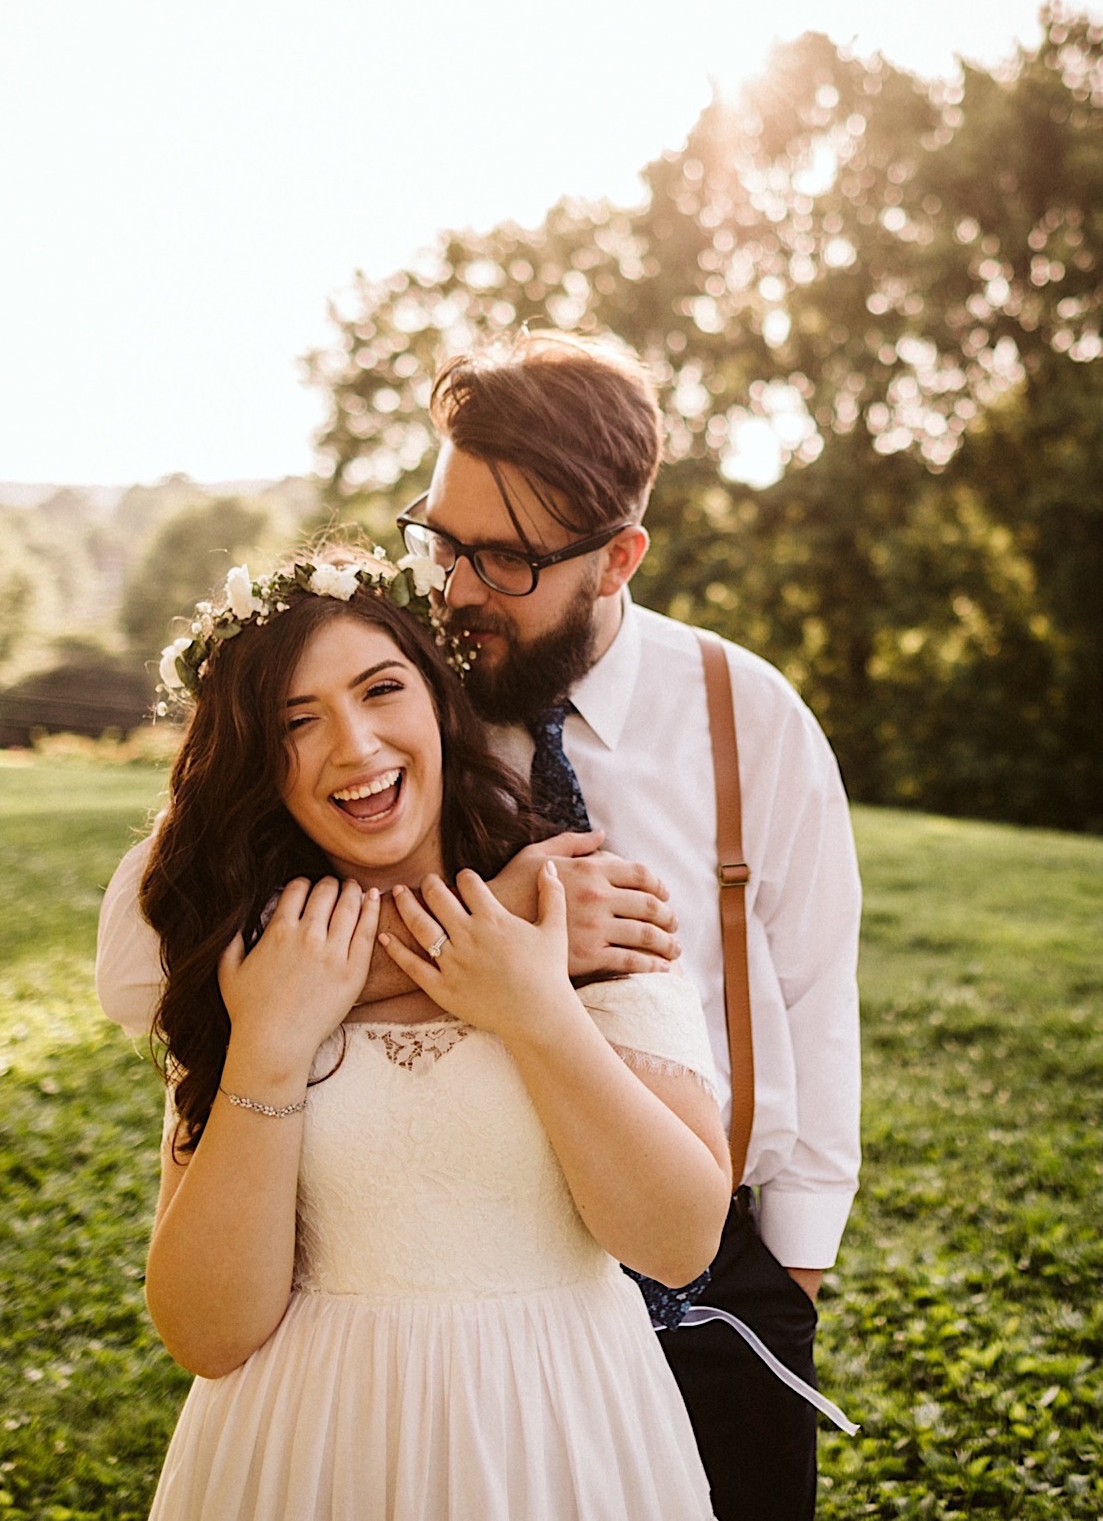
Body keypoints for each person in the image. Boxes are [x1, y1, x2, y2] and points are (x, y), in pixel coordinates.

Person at [98, 330, 861, 1520]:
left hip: (699, 1263)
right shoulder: (429, 691)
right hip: (336, 1400)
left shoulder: (743, 715)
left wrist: (796, 1271)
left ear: (616, 559)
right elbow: (181, 930)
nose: (454, 587)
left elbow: (816, 1001)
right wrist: (482, 928)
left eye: (500, 559)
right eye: (440, 540)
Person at [139, 549, 730, 1518]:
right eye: (298, 721)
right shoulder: (255, 964)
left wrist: (533, 1007)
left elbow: (677, 1241)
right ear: (258, 760)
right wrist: (268, 1050)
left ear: (440, 702)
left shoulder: (576, 905)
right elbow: (209, 1332)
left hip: (555, 1433)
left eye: (382, 689)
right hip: (308, 1448)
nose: (357, 745)